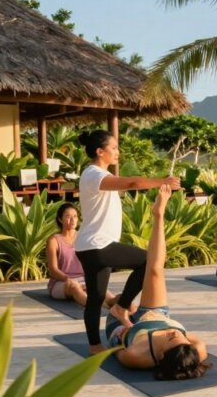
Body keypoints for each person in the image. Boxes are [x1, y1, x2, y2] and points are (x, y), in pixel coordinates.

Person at [74, 130, 181, 355]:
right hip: (98, 245)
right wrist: (162, 181)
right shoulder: (94, 174)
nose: (117, 152)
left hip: (89, 246)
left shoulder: (95, 174)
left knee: (96, 298)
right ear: (99, 151)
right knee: (147, 260)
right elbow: (132, 182)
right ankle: (121, 308)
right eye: (113, 148)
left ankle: (95, 346)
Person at [106, 185, 211, 380]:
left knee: (123, 306)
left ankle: (117, 302)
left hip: (122, 327)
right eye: (181, 339)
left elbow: (115, 347)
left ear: (161, 356)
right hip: (156, 316)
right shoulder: (197, 349)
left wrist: (125, 320)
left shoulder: (135, 356)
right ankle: (159, 215)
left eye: (172, 339)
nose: (175, 334)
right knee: (154, 270)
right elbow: (183, 342)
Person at [46, 203, 116, 308]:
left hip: (84, 279)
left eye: (75, 216)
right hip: (61, 281)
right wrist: (67, 279)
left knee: (108, 296)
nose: (72, 220)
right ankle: (97, 307)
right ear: (60, 220)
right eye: (68, 216)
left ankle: (126, 307)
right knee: (74, 287)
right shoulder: (54, 241)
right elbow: (53, 269)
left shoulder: (84, 237)